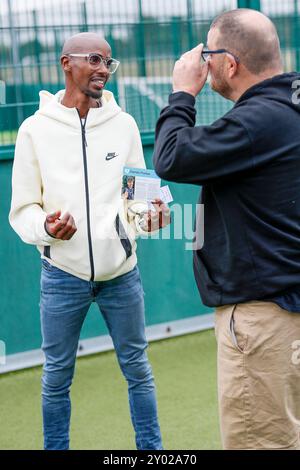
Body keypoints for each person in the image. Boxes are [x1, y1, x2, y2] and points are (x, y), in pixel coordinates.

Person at [9, 32, 170, 450]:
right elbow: (23, 208)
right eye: (95, 60)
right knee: (56, 377)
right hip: (62, 274)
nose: (104, 70)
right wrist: (46, 228)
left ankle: (151, 453)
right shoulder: (33, 131)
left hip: (123, 275)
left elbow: (143, 197)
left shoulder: (125, 124)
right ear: (67, 63)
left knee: (138, 369)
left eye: (108, 62)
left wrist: (153, 217)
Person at [153, 8, 300, 450]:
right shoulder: (289, 107)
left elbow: (172, 156)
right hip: (289, 301)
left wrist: (182, 92)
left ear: (230, 64)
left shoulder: (257, 123)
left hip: (265, 316)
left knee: (262, 441)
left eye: (210, 54)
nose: (204, 62)